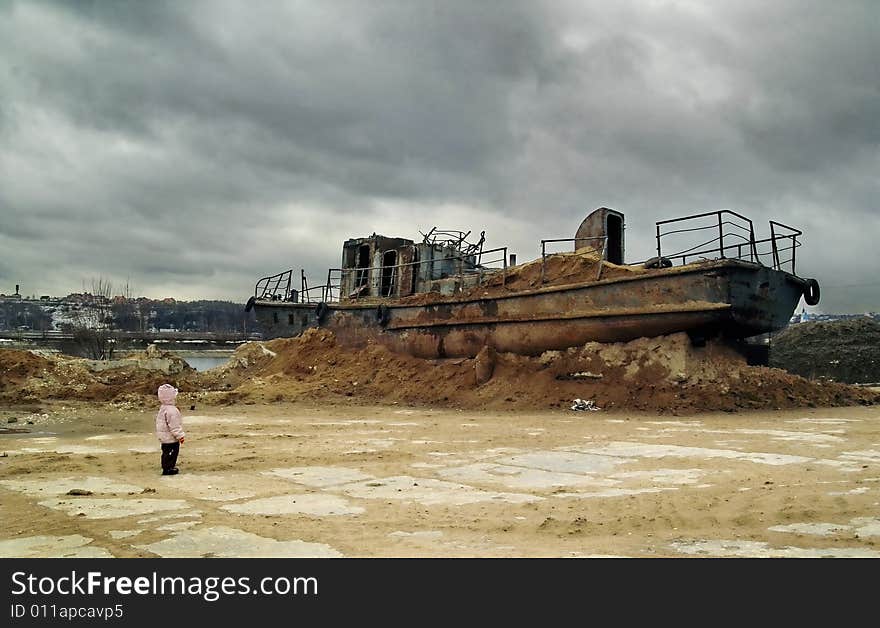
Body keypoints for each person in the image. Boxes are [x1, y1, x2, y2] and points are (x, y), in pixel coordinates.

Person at [155, 383, 185, 476]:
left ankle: (166, 467)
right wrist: (180, 436)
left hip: (164, 437)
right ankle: (169, 468)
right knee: (172, 453)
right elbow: (174, 425)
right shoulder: (172, 410)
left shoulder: (163, 408)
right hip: (170, 438)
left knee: (165, 453)